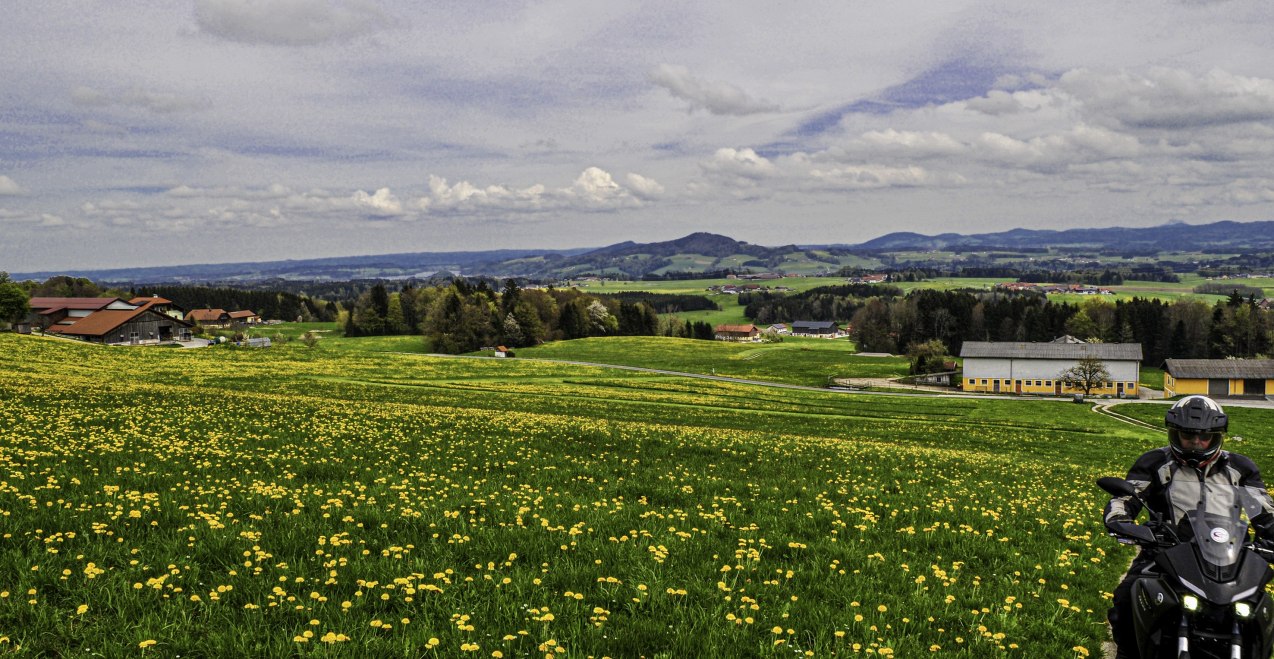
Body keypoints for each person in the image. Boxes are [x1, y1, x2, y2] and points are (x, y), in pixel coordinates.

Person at [1103, 394, 1274, 658]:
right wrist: (1121, 521)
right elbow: (1127, 497)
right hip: (1166, 552)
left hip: (1228, 559)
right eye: (1188, 435)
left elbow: (1264, 510)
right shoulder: (1155, 463)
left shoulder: (1240, 468)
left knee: (1259, 610)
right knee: (1127, 600)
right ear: (1174, 434)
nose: (1196, 442)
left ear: (1217, 436)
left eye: (1204, 437)